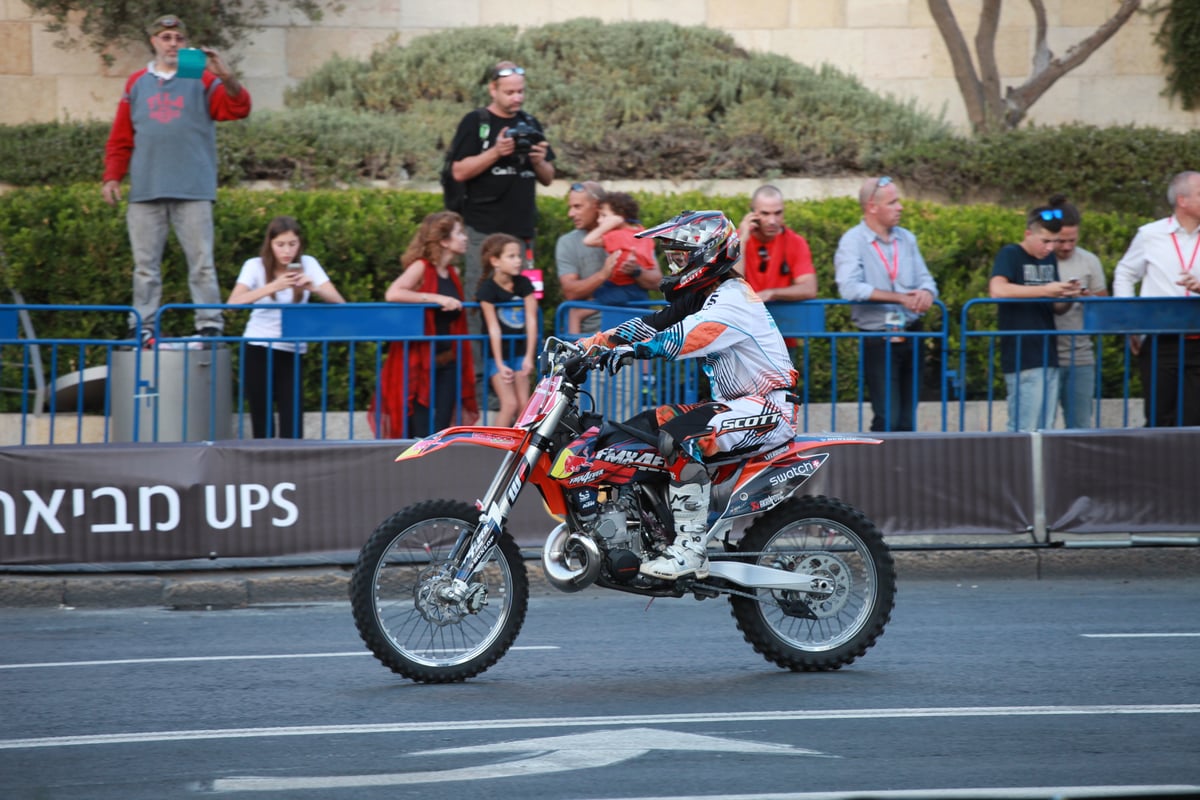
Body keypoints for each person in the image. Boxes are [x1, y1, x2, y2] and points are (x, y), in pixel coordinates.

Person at [579, 210, 798, 580]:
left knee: (682, 436)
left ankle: (691, 549)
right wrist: (589, 344)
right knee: (637, 431)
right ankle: (654, 531)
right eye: (671, 255)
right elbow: (652, 323)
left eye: (680, 255)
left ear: (707, 254)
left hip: (768, 410)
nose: (674, 263)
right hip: (734, 406)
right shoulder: (703, 296)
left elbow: (686, 338)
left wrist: (633, 352)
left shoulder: (733, 299)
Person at [101, 14, 252, 346]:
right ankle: (142, 325)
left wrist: (227, 77)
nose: (173, 44)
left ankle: (210, 323)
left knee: (201, 264)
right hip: (145, 190)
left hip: (193, 188)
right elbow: (121, 137)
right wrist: (112, 177)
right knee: (145, 267)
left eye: (178, 38)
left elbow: (237, 109)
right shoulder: (136, 82)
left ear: (185, 44)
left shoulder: (199, 77)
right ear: (154, 41)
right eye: (166, 37)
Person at [834, 176, 939, 432]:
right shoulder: (853, 241)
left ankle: (903, 470)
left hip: (912, 334)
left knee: (906, 420)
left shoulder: (907, 238)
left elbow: (927, 280)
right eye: (893, 202)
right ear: (872, 206)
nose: (900, 207)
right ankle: (880, 469)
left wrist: (926, 293)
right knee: (888, 417)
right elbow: (849, 288)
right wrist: (900, 298)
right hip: (878, 337)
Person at [227, 216, 346, 439]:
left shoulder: (308, 263)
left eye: (292, 244)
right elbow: (233, 303)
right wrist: (273, 286)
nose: (286, 251)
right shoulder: (254, 265)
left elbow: (339, 301)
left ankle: (292, 465)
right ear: (270, 244)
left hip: (292, 348)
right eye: (280, 245)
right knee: (261, 411)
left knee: (292, 413)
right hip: (258, 345)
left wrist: (313, 287)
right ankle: (263, 465)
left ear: (299, 243)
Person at [448, 60, 556, 302]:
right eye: (509, 92)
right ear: (492, 89)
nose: (517, 98)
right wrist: (496, 152)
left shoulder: (529, 123)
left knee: (524, 297)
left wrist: (538, 161)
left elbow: (549, 178)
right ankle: (478, 342)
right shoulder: (476, 122)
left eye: (521, 91)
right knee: (479, 294)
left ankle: (520, 341)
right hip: (483, 230)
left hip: (521, 230)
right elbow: (458, 171)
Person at [371, 211, 479, 438]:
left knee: (443, 427)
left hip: (447, 359)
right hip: (420, 363)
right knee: (418, 429)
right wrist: (436, 298)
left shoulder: (452, 272)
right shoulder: (421, 267)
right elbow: (393, 293)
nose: (465, 238)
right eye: (459, 233)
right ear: (444, 241)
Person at [1113, 170, 1200, 427]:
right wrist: (1130, 320)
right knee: (1160, 416)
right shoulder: (1150, 234)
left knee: (1195, 418)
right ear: (1182, 200)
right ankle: (1160, 467)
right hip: (1160, 340)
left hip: (1199, 340)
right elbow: (1125, 272)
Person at [988, 206, 1083, 432]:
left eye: (1054, 242)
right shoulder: (1010, 254)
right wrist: (1045, 290)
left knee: (1046, 428)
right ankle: (1017, 468)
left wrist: (1068, 294)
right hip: (1022, 355)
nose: (1050, 248)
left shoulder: (1049, 259)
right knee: (1023, 427)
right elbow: (997, 290)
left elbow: (1056, 307)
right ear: (1028, 234)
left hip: (1048, 353)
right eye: (1045, 241)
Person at [1047, 195, 1109, 429]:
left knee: (1081, 424)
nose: (1067, 247)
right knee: (1042, 425)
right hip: (1044, 354)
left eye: (1072, 240)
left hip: (1080, 354)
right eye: (1061, 241)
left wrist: (1087, 298)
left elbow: (1104, 302)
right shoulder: (1040, 260)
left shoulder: (1089, 261)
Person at [568, 190, 661, 333]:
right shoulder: (643, 233)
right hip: (638, 292)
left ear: (620, 216)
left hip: (620, 289)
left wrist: (608, 225)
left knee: (574, 313)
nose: (599, 220)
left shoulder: (616, 235)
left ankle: (574, 350)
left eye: (604, 216)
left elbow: (588, 240)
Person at [476, 233, 539, 427]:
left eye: (518, 256)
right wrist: (499, 364)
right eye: (511, 256)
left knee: (524, 405)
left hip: (520, 351)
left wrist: (529, 356)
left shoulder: (523, 284)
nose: (518, 261)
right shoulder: (487, 289)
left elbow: (531, 319)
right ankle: (493, 452)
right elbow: (493, 327)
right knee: (509, 404)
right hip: (497, 354)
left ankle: (520, 453)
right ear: (495, 261)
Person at [736, 185, 818, 303]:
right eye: (765, 213)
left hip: (781, 317)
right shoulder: (735, 240)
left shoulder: (795, 242)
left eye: (777, 213)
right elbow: (732, 285)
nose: (772, 221)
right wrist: (742, 240)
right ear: (752, 212)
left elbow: (809, 289)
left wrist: (772, 293)